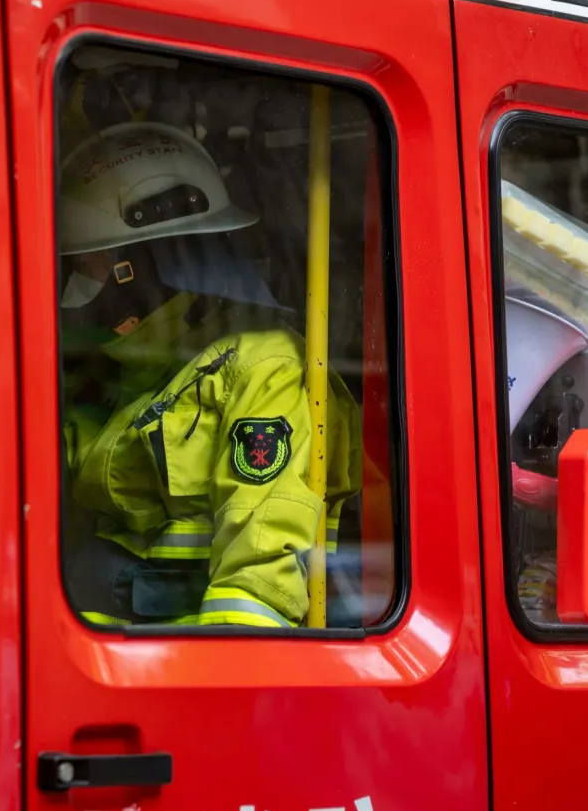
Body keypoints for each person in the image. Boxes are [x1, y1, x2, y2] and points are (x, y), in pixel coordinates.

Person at [57, 120, 362, 628]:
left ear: (138, 267)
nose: (74, 283)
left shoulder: (265, 367)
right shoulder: (133, 362)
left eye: (86, 264)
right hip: (101, 634)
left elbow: (256, 587)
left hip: (165, 649)